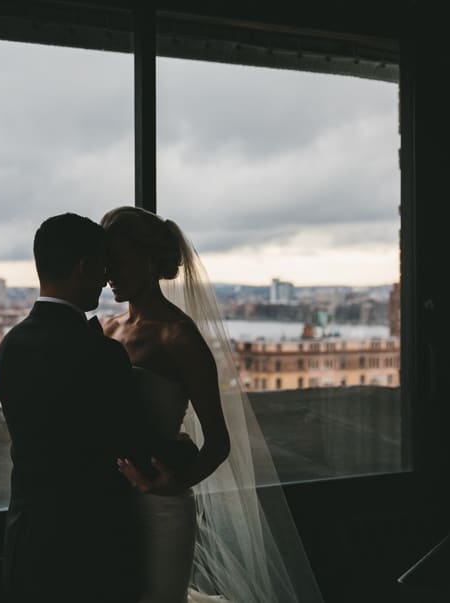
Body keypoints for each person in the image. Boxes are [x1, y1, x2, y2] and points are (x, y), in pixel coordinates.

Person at [100, 205, 324, 603]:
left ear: (151, 262)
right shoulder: (108, 328)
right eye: (105, 263)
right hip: (110, 505)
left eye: (119, 261)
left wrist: (172, 484)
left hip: (161, 508)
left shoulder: (179, 338)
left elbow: (219, 443)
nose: (109, 274)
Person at [0, 212, 196, 603]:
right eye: (103, 268)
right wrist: (184, 452)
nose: (107, 279)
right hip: (93, 544)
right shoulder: (101, 353)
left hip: (28, 538)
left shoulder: (10, 345)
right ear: (85, 267)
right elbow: (131, 446)